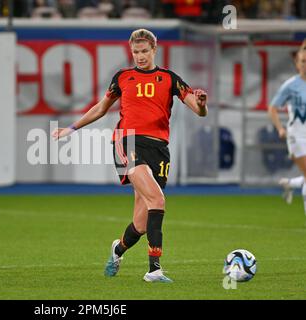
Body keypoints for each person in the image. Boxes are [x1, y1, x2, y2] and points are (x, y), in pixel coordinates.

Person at [52, 29, 207, 282]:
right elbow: (101, 108)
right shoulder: (123, 77)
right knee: (157, 200)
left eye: (144, 51)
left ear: (154, 50)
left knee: (142, 224)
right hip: (128, 140)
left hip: (159, 150)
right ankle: (154, 270)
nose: (140, 56)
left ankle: (118, 250)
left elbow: (198, 110)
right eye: (136, 52)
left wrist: (201, 103)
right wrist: (71, 128)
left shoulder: (169, 78)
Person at [269, 39, 306, 215]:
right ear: (297, 63)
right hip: (296, 136)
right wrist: (280, 128)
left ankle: (289, 184)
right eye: (303, 62)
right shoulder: (291, 85)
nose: (305, 65)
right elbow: (273, 108)